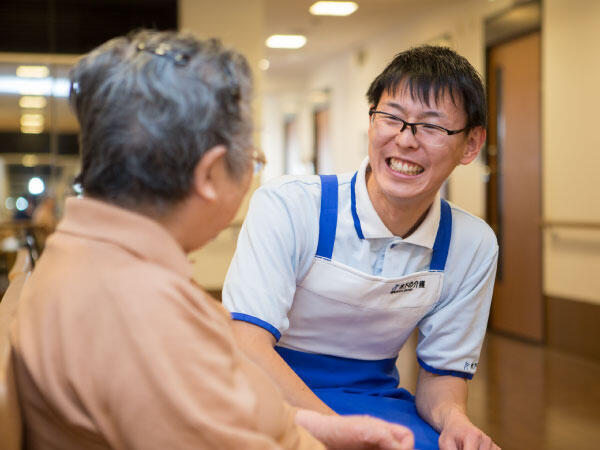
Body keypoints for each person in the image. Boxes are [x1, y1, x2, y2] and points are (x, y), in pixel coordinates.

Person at [9, 31, 414, 450]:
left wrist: (330, 430)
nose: (252, 170)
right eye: (252, 158)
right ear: (209, 175)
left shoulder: (90, 258)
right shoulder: (141, 314)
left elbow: (220, 409)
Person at [223, 46, 500, 450]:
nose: (405, 140)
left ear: (471, 145)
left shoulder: (471, 244)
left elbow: (442, 377)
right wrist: (338, 433)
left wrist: (455, 421)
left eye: (432, 126)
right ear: (372, 120)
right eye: (392, 117)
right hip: (265, 390)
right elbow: (247, 346)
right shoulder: (290, 205)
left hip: (373, 400)